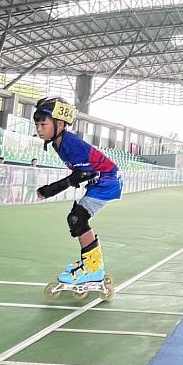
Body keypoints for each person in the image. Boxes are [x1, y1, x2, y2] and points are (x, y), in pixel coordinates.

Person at [33, 97, 123, 295]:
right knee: (77, 218)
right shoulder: (58, 142)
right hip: (102, 178)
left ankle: (93, 269)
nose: (39, 129)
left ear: (60, 123)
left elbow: (82, 174)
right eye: (37, 124)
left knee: (77, 218)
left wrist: (48, 190)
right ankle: (90, 263)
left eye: (43, 124)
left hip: (107, 180)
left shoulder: (69, 143)